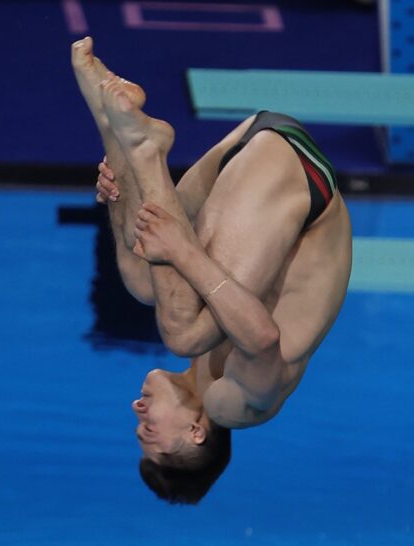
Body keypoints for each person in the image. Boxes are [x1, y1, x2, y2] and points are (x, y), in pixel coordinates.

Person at [71, 37, 353, 504]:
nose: (137, 410)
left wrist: (117, 196)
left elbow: (149, 254)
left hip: (258, 149)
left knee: (144, 285)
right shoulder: (237, 407)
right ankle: (144, 150)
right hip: (300, 176)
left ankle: (117, 134)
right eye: (149, 431)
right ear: (196, 434)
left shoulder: (204, 376)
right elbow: (262, 339)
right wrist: (184, 252)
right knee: (183, 332)